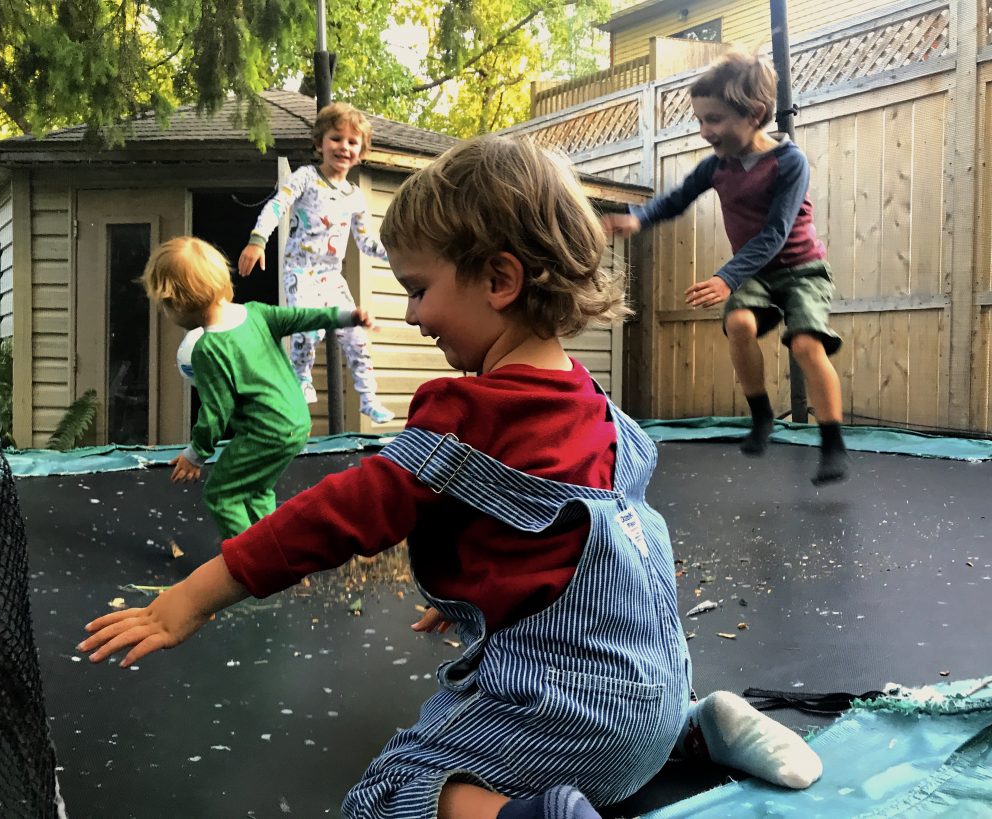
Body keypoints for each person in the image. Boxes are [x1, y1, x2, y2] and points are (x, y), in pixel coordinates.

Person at [82, 137, 822, 819]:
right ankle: (701, 728)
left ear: (499, 278)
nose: (411, 315)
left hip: (574, 728)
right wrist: (482, 587)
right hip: (652, 705)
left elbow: (333, 517)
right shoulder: (597, 409)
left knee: (390, 792)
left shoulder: (463, 415)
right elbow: (572, 536)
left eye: (419, 288)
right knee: (633, 723)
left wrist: (191, 598)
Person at [604, 51, 848, 486]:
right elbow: (675, 199)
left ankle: (832, 444)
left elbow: (775, 232)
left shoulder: (789, 163)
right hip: (753, 272)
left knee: (807, 346)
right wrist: (639, 218)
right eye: (699, 120)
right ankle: (761, 417)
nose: (704, 132)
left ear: (754, 114)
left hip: (801, 268)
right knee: (738, 324)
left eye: (713, 119)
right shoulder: (716, 167)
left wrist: (725, 277)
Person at [143, 236, 375, 539]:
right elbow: (302, 317)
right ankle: (278, 547)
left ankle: (250, 564)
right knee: (257, 488)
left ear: (176, 303)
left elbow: (216, 412)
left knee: (221, 495)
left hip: (266, 432)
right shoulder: (257, 313)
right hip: (297, 422)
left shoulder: (208, 349)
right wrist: (346, 315)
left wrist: (195, 454)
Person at [237, 101, 395, 425]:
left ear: (361, 152)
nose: (344, 147)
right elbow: (277, 206)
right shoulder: (306, 178)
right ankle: (301, 378)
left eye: (352, 142)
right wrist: (258, 239)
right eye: (336, 139)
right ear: (319, 143)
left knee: (356, 336)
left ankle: (368, 398)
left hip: (331, 276)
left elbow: (365, 242)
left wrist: (395, 255)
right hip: (300, 269)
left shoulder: (355, 196)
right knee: (308, 328)